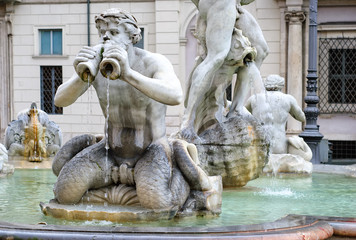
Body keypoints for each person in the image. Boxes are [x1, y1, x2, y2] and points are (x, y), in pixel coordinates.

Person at [53, 8, 199, 210]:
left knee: (157, 203)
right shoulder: (97, 62)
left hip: (151, 149)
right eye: (102, 33)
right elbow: (60, 100)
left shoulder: (152, 62)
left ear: (133, 37)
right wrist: (82, 76)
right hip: (110, 152)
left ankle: (181, 177)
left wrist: (128, 73)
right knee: (65, 192)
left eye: (113, 33)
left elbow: (175, 95)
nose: (105, 38)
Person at [180, 0, 267, 141]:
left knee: (260, 49)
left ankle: (236, 109)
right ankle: (187, 120)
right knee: (217, 56)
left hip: (235, 3)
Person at [245, 74, 306, 154]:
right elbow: (302, 118)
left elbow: (241, 114)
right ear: (281, 85)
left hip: (258, 145)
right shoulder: (288, 99)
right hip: (279, 145)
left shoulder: (254, 98)